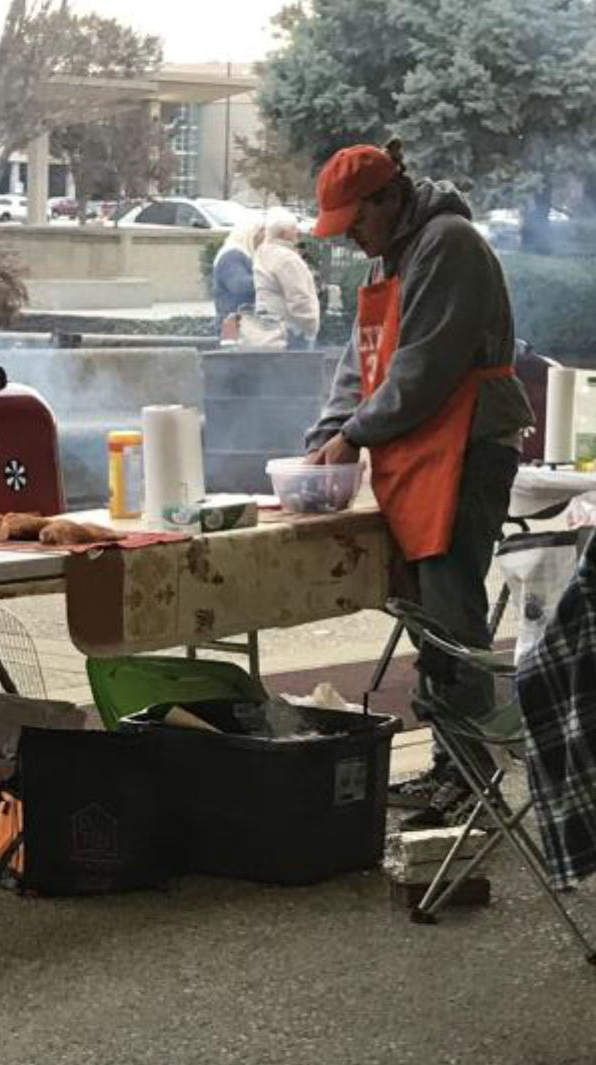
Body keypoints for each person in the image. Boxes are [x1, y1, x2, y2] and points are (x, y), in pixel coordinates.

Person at [305, 138, 534, 826]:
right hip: (418, 456)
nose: (350, 235)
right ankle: (451, 764)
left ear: (389, 196)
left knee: (451, 611)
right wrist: (323, 436)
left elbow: (424, 369)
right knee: (425, 609)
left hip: (468, 448)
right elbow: (363, 363)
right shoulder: (388, 261)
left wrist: (355, 436)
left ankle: (471, 777)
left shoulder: (449, 244)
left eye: (356, 219)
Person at [253, 207, 320, 350]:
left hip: (269, 329)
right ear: (284, 233)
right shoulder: (287, 259)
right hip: (292, 331)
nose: (298, 232)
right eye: (294, 228)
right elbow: (298, 298)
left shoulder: (263, 253)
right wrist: (311, 326)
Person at [212, 218, 265, 336]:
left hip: (242, 324)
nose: (265, 236)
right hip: (233, 326)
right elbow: (241, 286)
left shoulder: (244, 254)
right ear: (249, 233)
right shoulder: (232, 255)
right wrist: (268, 279)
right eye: (261, 231)